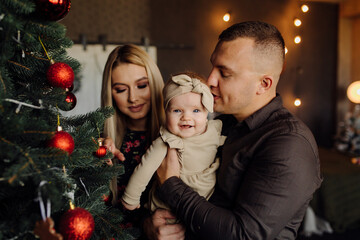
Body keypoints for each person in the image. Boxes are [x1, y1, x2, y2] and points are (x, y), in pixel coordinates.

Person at [145, 21, 323, 239]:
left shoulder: (289, 144)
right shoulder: (221, 123)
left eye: (224, 73)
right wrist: (152, 224)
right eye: (212, 67)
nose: (210, 80)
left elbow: (245, 234)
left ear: (264, 84)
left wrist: (171, 185)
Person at [121, 72, 226, 217]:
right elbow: (144, 169)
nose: (186, 117)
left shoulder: (213, 131)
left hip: (204, 204)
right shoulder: (168, 141)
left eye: (196, 110)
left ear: (206, 113)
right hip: (168, 206)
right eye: (177, 111)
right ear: (166, 113)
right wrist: (130, 198)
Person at [100, 44, 166, 233]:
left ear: (154, 83)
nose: (133, 98)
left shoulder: (177, 136)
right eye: (121, 89)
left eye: (142, 86)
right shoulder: (103, 143)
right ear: (110, 95)